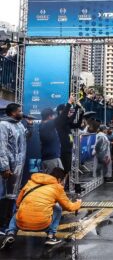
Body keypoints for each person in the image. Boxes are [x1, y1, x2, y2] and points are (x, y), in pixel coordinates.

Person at [1, 167, 81, 248]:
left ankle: (10, 233)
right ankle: (51, 236)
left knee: (19, 211)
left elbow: (18, 202)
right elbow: (69, 207)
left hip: (21, 223)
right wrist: (78, 203)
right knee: (58, 209)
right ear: (59, 180)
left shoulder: (30, 182)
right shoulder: (57, 187)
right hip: (42, 225)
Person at [0, 103, 33, 233]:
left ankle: (9, 223)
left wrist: (30, 125)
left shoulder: (19, 124)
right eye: (20, 111)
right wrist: (4, 167)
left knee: (12, 195)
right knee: (3, 196)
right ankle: (2, 225)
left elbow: (27, 137)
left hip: (18, 166)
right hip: (7, 167)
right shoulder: (3, 125)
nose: (22, 113)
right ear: (13, 113)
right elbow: (1, 147)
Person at [55, 95, 83, 178]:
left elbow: (77, 124)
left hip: (68, 150)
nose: (68, 112)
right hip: (62, 151)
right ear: (61, 112)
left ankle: (64, 184)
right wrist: (76, 107)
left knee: (68, 169)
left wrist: (81, 114)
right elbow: (70, 118)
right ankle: (61, 184)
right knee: (63, 169)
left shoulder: (66, 122)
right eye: (66, 111)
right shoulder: (59, 121)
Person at [39, 108, 65, 173]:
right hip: (51, 159)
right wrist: (69, 103)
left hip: (52, 157)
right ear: (49, 117)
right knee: (53, 180)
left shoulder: (44, 125)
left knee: (58, 178)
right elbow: (62, 117)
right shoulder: (47, 125)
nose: (54, 117)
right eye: (53, 116)